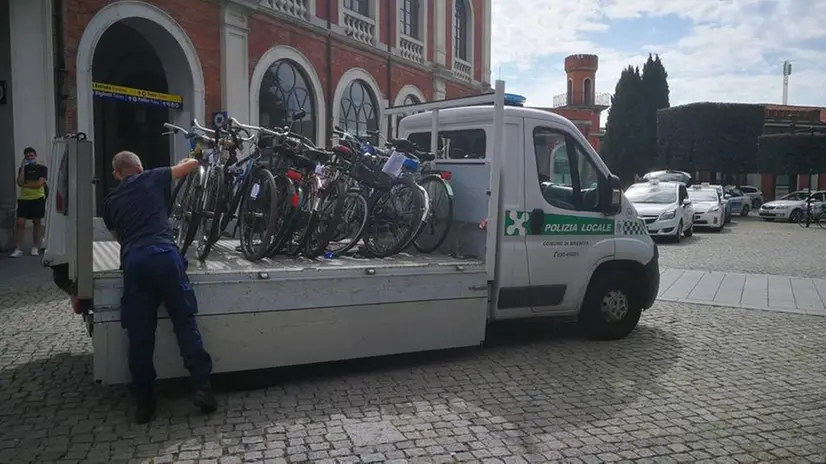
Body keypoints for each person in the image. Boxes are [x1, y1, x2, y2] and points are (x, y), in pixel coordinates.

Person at [102, 150, 216, 424]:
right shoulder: (152, 177)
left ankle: (144, 402)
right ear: (139, 167)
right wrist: (195, 156)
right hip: (164, 255)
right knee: (184, 323)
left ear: (117, 174)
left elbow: (118, 236)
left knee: (140, 334)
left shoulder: (110, 201)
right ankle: (202, 387)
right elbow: (187, 167)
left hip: (135, 260)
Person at [10, 147, 47, 257]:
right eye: (27, 156)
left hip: (37, 198)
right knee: (20, 223)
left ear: (35, 156)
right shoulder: (23, 169)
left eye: (31, 156)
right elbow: (20, 182)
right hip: (24, 199)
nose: (30, 158)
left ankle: (35, 246)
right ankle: (17, 248)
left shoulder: (42, 168)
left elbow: (39, 184)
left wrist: (26, 185)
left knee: (36, 222)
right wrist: (22, 167)